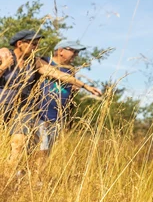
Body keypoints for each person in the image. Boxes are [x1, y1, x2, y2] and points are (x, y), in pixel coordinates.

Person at [1, 31, 101, 178]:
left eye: (37, 44)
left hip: (23, 108)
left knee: (19, 144)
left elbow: (58, 74)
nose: (36, 47)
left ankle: (7, 179)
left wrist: (85, 86)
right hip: (4, 104)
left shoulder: (34, 62)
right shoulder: (4, 56)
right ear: (20, 43)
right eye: (33, 44)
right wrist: (3, 66)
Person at [36, 40, 101, 160]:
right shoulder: (43, 61)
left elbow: (68, 92)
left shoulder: (70, 70)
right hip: (40, 114)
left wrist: (73, 90)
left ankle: (35, 172)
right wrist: (85, 86)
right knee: (41, 151)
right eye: (74, 51)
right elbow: (57, 75)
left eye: (77, 52)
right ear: (61, 50)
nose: (76, 55)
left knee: (47, 153)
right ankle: (32, 172)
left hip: (57, 118)